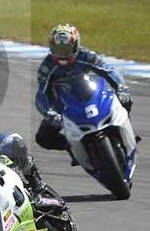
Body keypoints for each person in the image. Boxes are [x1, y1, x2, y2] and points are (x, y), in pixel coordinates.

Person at [35, 23, 133, 152]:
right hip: (64, 107)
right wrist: (49, 113)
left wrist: (121, 87)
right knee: (43, 137)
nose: (62, 55)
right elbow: (41, 94)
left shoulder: (86, 56)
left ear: (76, 45)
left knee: (126, 100)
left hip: (89, 94)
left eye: (66, 49)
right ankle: (73, 147)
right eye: (58, 50)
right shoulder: (46, 67)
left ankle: (123, 130)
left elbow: (108, 70)